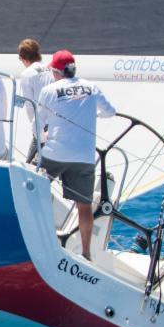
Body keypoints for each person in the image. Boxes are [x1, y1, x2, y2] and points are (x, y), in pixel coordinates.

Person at [37, 49, 116, 261]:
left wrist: (43, 139)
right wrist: (93, 113)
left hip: (54, 154)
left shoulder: (49, 90)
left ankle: (40, 240)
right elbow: (110, 111)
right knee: (84, 206)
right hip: (84, 157)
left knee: (34, 193)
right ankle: (86, 252)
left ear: (56, 71)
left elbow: (39, 123)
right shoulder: (91, 87)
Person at [18, 38, 54, 163]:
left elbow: (29, 105)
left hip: (41, 125)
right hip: (55, 123)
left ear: (23, 58)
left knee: (29, 167)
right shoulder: (50, 70)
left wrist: (35, 129)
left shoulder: (26, 74)